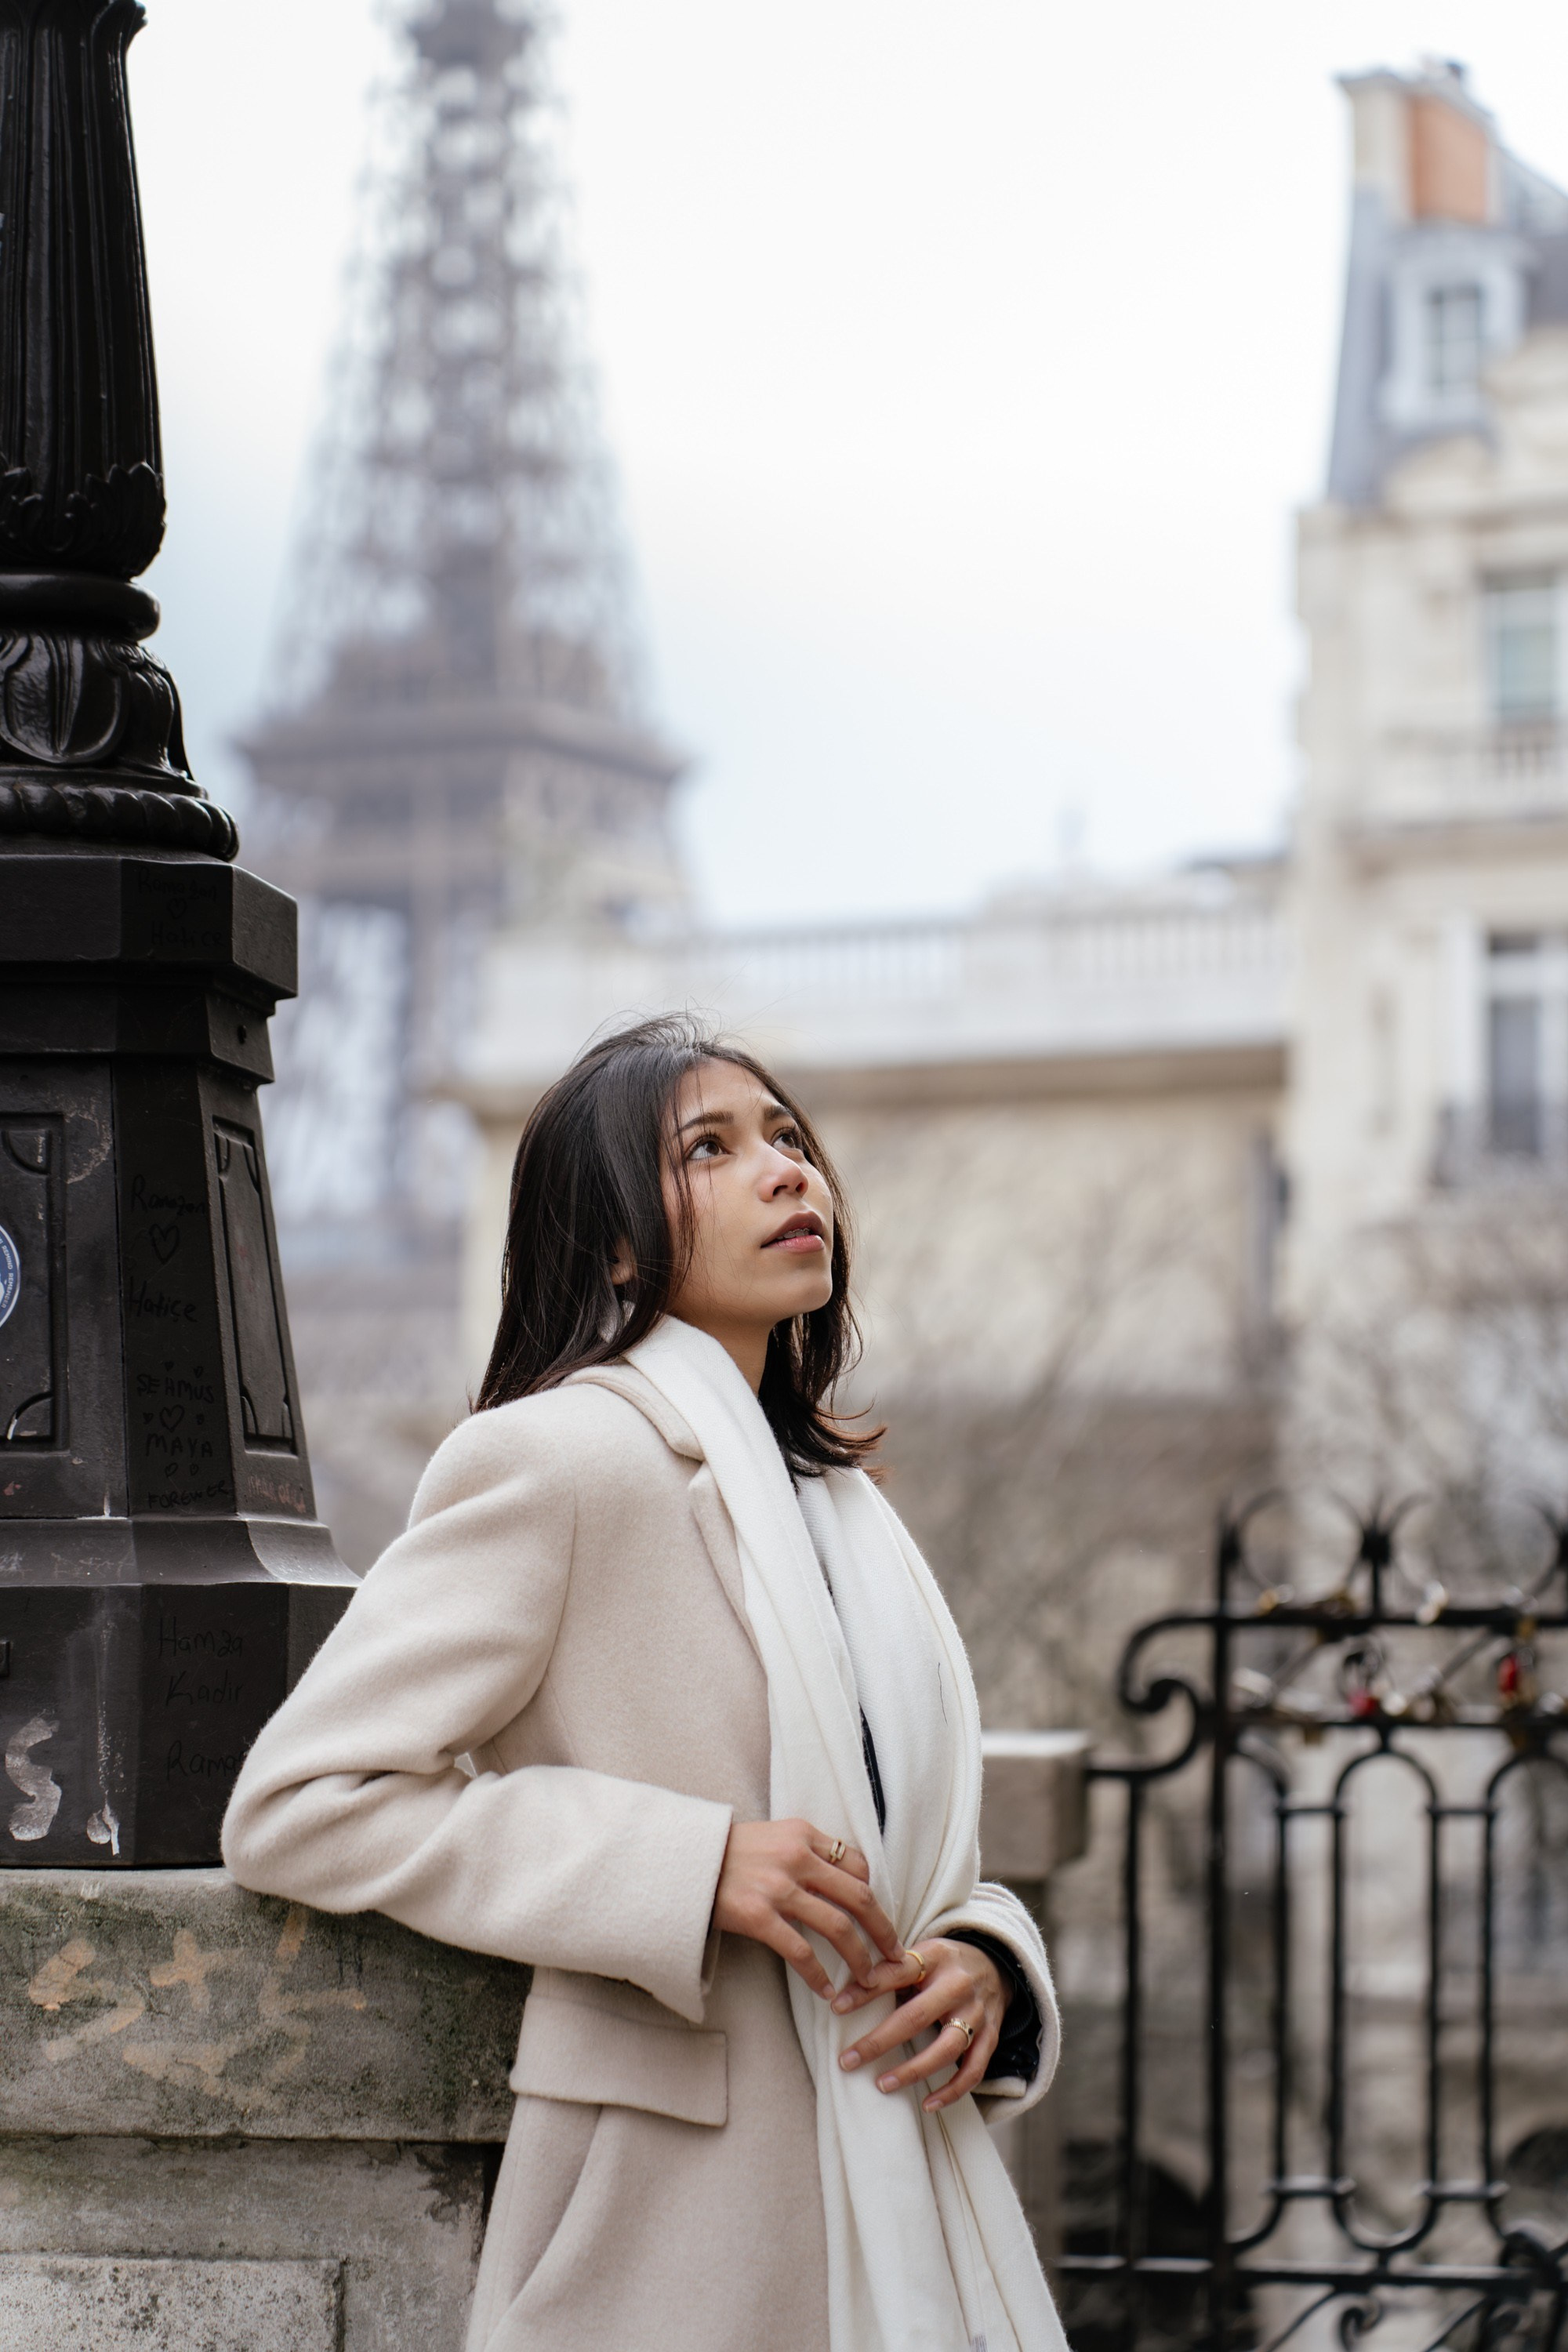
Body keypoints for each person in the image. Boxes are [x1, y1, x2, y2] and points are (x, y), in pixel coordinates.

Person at [223, 1015, 1067, 2352]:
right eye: (713, 1150)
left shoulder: (844, 1515)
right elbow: (303, 1799)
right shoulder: (560, 1462)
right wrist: (687, 1868)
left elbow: (907, 1841)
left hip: (890, 2179)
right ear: (615, 1243)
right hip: (668, 2234)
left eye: (788, 1138)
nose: (789, 1172)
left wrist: (986, 1960)